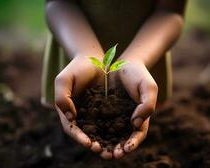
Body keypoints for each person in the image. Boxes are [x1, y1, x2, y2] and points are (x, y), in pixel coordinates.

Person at [42, 0, 187, 159]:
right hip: (72, 38)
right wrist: (85, 55)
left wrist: (136, 59)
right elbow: (57, 2)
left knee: (144, 113)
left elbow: (170, 12)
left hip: (149, 46)